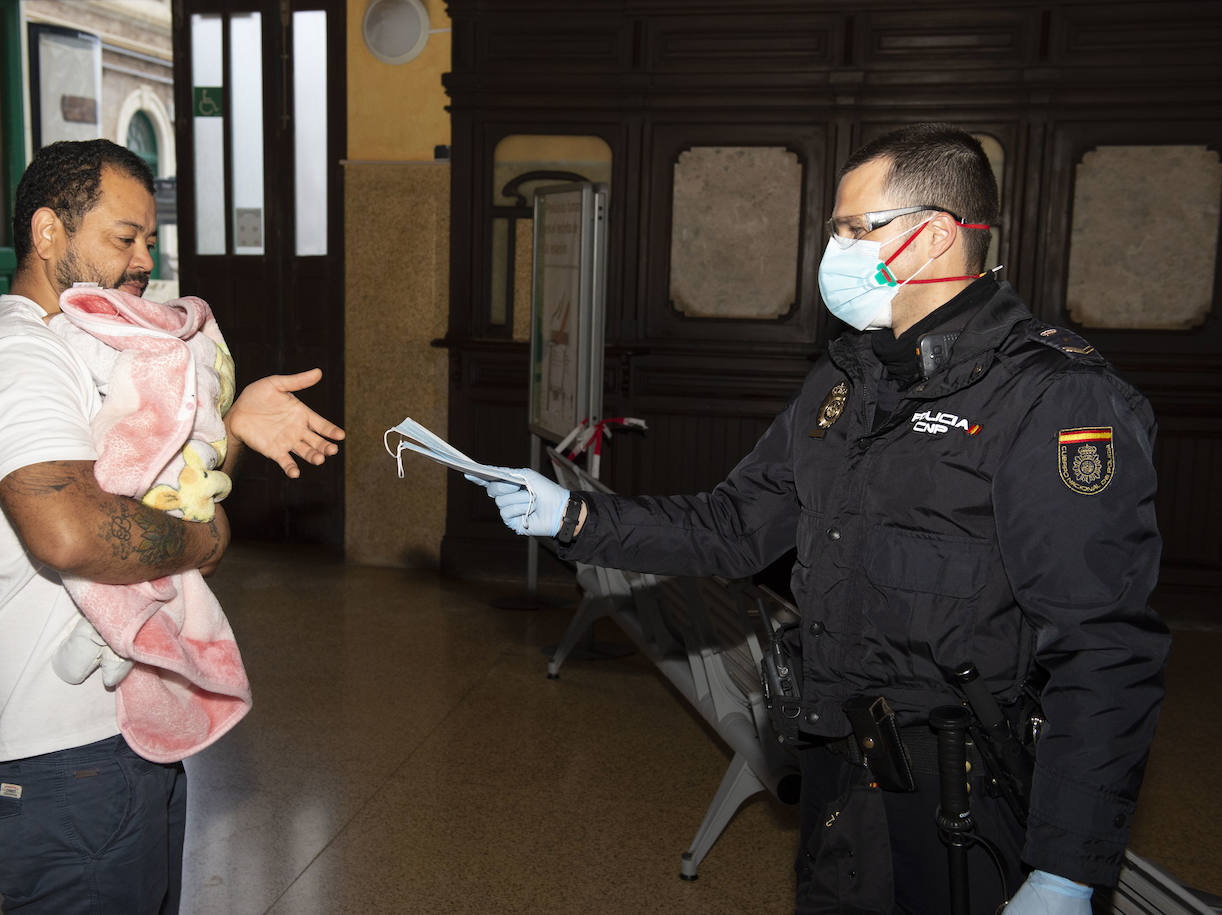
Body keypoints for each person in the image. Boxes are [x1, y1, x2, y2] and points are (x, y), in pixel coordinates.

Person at [474, 123, 1169, 914]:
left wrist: (1065, 872)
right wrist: (575, 517)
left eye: (852, 229)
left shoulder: (1054, 398)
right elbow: (736, 526)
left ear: (935, 235)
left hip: (965, 801)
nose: (834, 250)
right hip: (839, 767)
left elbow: (1105, 649)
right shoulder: (849, 376)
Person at [0, 139, 346, 913]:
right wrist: (205, 540)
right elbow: (74, 531)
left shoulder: (85, 346)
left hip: (112, 743)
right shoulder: (14, 359)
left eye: (150, 240)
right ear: (49, 231)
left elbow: (144, 473)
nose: (142, 261)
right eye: (124, 238)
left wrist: (228, 427)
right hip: (57, 754)